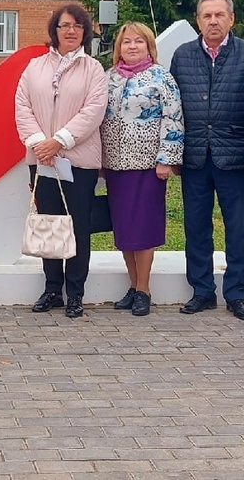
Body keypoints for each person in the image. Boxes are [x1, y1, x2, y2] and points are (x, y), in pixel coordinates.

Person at [169, 0, 244, 321]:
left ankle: (237, 295)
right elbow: (173, 108)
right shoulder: (182, 56)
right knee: (196, 226)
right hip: (194, 155)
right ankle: (202, 291)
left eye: (219, 15)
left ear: (231, 19)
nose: (213, 21)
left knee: (238, 228)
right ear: (198, 20)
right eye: (206, 16)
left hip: (234, 155)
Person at [14, 3, 107, 319]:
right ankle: (52, 288)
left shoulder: (93, 69)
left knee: (77, 225)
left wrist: (60, 141)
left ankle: (75, 293)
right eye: (65, 25)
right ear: (54, 30)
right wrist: (41, 144)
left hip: (78, 161)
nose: (71, 31)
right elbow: (22, 107)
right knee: (49, 224)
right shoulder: (34, 67)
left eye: (78, 26)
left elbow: (93, 112)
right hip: (41, 159)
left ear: (85, 32)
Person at [100, 21, 184, 317]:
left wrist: (167, 159)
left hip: (148, 164)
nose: (132, 46)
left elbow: (173, 120)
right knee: (123, 228)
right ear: (118, 48)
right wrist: (99, 160)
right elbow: (99, 119)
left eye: (138, 41)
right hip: (115, 164)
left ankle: (145, 289)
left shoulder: (162, 78)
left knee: (144, 226)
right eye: (126, 42)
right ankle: (133, 286)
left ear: (149, 46)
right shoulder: (109, 78)